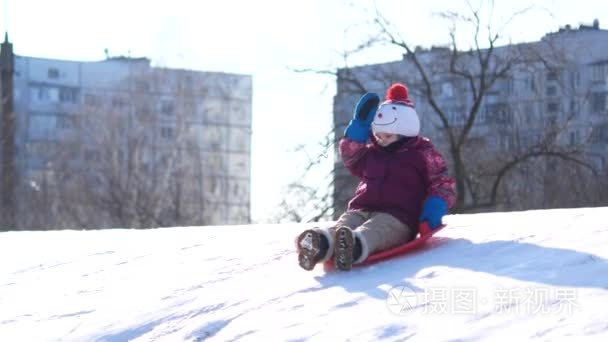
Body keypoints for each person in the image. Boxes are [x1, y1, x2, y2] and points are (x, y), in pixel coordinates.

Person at [296, 83, 456, 271]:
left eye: (388, 136)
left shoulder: (421, 154)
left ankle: (354, 245)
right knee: (345, 225)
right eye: (378, 136)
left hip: (398, 217)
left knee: (378, 230)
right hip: (361, 207)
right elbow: (350, 156)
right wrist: (359, 127)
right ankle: (321, 242)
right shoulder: (372, 153)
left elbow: (442, 182)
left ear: (405, 130)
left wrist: (434, 207)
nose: (382, 140)